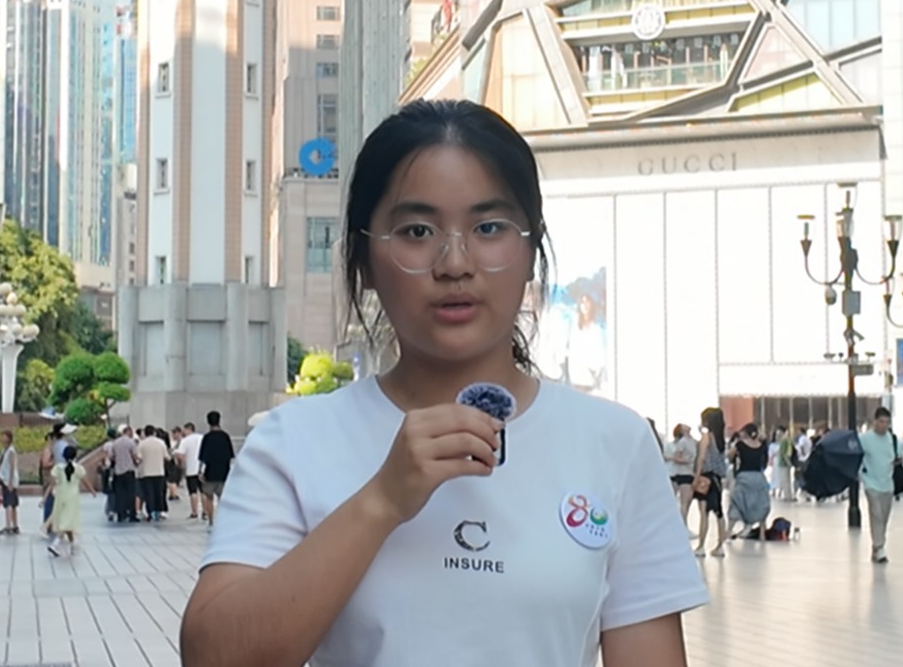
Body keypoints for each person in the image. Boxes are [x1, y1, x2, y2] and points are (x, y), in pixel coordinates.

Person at [182, 99, 708, 666]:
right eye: (416, 230)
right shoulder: (294, 441)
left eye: (489, 228)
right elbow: (213, 657)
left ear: (531, 250)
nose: (455, 263)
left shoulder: (615, 444)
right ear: (363, 259)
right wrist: (382, 500)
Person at [859, 407, 902, 563]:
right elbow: (857, 456)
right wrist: (860, 474)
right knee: (876, 513)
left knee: (884, 516)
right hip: (870, 482)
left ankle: (876, 546)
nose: (884, 425)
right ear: (875, 422)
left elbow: (895, 457)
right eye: (881, 422)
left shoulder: (892, 439)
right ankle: (880, 546)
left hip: (887, 483)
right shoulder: (864, 439)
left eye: (887, 422)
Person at [692, 407, 728, 558]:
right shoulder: (720, 439)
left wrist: (696, 477)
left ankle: (701, 546)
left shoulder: (706, 437)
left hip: (705, 477)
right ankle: (720, 546)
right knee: (719, 512)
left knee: (703, 513)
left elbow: (701, 458)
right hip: (717, 478)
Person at [48, 445, 94, 557]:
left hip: (61, 495)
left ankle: (73, 545)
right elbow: (85, 480)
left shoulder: (58, 468)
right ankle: (55, 544)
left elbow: (52, 481)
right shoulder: (78, 468)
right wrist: (92, 491)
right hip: (72, 497)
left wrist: (48, 493)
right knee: (68, 521)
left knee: (66, 520)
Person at [727, 423, 770, 540]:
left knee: (737, 503)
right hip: (759, 477)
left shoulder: (740, 444)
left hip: (744, 476)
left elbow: (729, 456)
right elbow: (765, 461)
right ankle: (762, 533)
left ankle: (728, 531)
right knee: (760, 504)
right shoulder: (761, 445)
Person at [197, 410, 235, 527]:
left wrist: (200, 472)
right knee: (222, 498)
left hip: (209, 473)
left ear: (208, 422)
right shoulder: (225, 437)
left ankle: (211, 520)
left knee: (209, 497)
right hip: (224, 472)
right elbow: (230, 456)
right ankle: (223, 520)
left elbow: (202, 457)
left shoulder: (207, 438)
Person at [664, 424, 698, 531]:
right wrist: (687, 461)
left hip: (690, 473)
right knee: (684, 502)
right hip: (683, 473)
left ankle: (683, 524)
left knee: (687, 501)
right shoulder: (682, 442)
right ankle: (683, 527)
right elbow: (676, 457)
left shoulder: (692, 441)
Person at [137, 425, 170, 521]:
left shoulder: (142, 444)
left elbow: (139, 458)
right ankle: (159, 511)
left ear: (145, 433)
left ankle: (150, 511)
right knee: (159, 493)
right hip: (159, 471)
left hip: (146, 472)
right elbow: (167, 457)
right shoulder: (161, 443)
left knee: (149, 493)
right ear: (154, 432)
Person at [175, 421, 204, 520]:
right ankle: (205, 511)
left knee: (193, 492)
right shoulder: (202, 438)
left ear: (188, 429)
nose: (183, 431)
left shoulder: (185, 441)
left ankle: (194, 512)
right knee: (203, 492)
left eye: (184, 429)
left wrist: (181, 463)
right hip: (202, 469)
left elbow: (180, 454)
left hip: (190, 469)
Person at [0, 430, 21, 536]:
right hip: (5, 480)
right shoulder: (4, 450)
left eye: (4, 436)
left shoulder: (11, 451)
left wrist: (10, 481)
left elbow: (12, 467)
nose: (1, 438)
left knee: (9, 503)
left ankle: (9, 526)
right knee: (12, 503)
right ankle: (14, 525)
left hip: (9, 481)